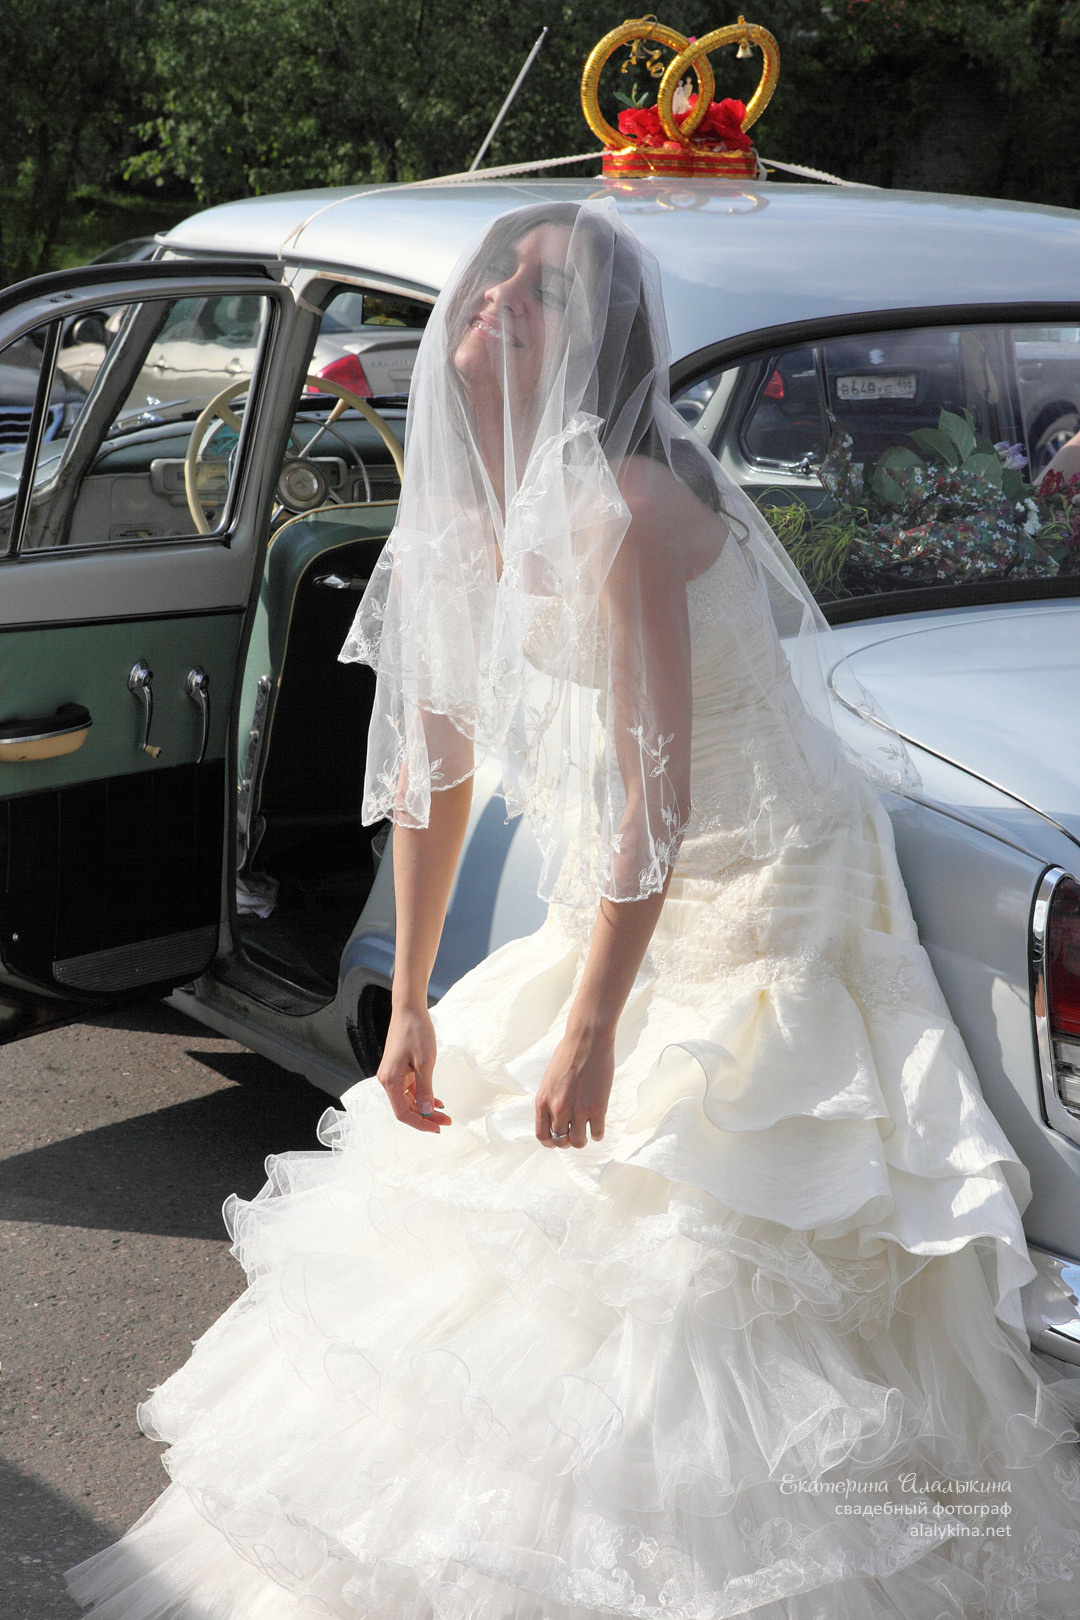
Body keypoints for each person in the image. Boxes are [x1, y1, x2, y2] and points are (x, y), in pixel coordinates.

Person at [68, 200, 1080, 1620]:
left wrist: (595, 1024)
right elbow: (434, 778)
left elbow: (663, 792)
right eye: (490, 283)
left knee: (692, 1229)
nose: (497, 304)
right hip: (627, 876)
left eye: (538, 296)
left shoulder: (632, 503)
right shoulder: (447, 519)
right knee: (501, 1191)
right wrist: (411, 999)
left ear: (596, 344)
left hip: (770, 882)